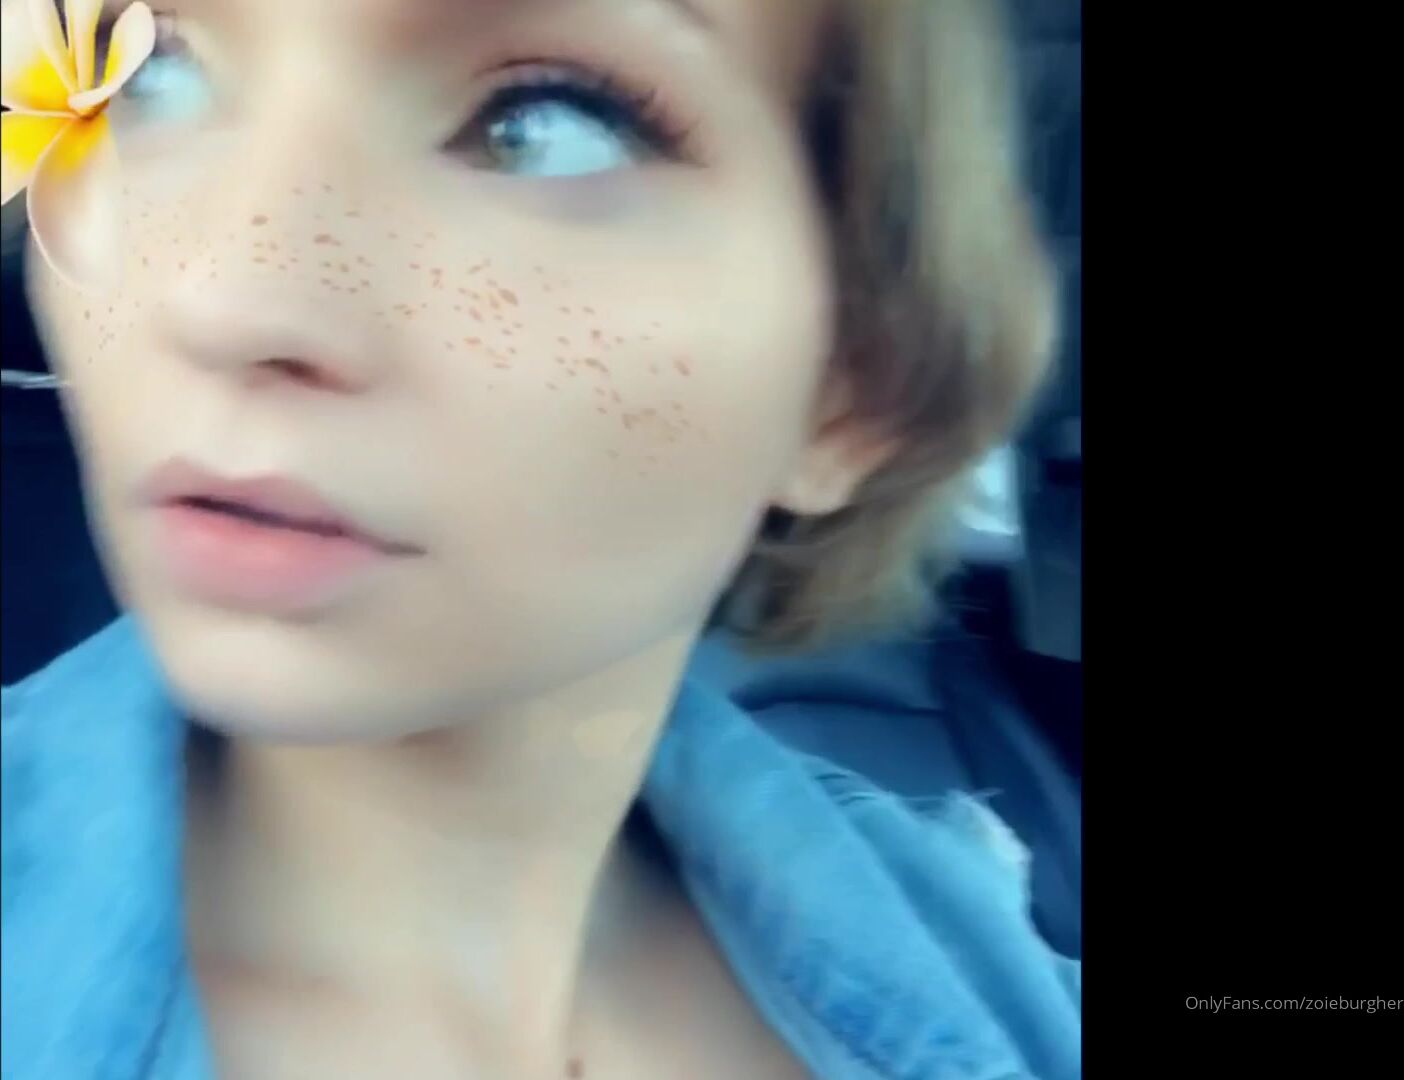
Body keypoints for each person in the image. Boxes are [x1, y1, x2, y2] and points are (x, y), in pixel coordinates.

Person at [0, 0, 1079, 1076]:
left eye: (541, 125)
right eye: (145, 74)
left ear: (852, 389)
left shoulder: (985, 952)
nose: (222, 300)